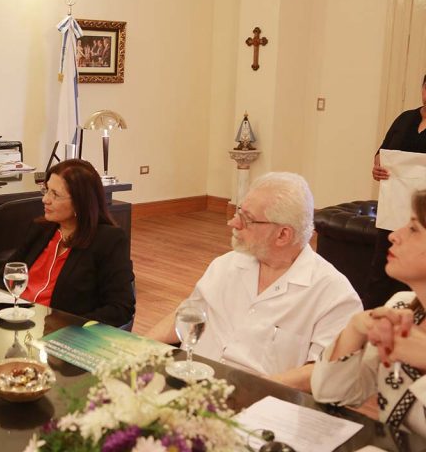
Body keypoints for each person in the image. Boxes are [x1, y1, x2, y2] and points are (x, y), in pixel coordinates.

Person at [145, 172, 362, 391]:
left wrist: (253, 389)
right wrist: (139, 348)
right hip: (187, 383)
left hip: (258, 398)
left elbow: (323, 371)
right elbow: (187, 316)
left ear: (283, 235)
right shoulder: (226, 265)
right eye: (238, 212)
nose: (233, 222)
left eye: (247, 219)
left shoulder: (333, 295)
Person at [312, 189, 426, 436]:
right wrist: (354, 330)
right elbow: (331, 394)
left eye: (414, 229)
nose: (394, 235)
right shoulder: (400, 308)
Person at [0, 159, 135, 327]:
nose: (45, 199)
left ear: (80, 202)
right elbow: (2, 277)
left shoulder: (108, 240)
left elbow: (120, 308)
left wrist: (70, 326)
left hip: (61, 333)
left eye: (55, 195)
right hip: (19, 323)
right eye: (46, 190)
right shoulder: (41, 229)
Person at [368, 75, 426, 309]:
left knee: (414, 269)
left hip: (422, 218)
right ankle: (373, 314)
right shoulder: (405, 119)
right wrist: (377, 167)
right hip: (392, 209)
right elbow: (382, 153)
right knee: (381, 270)